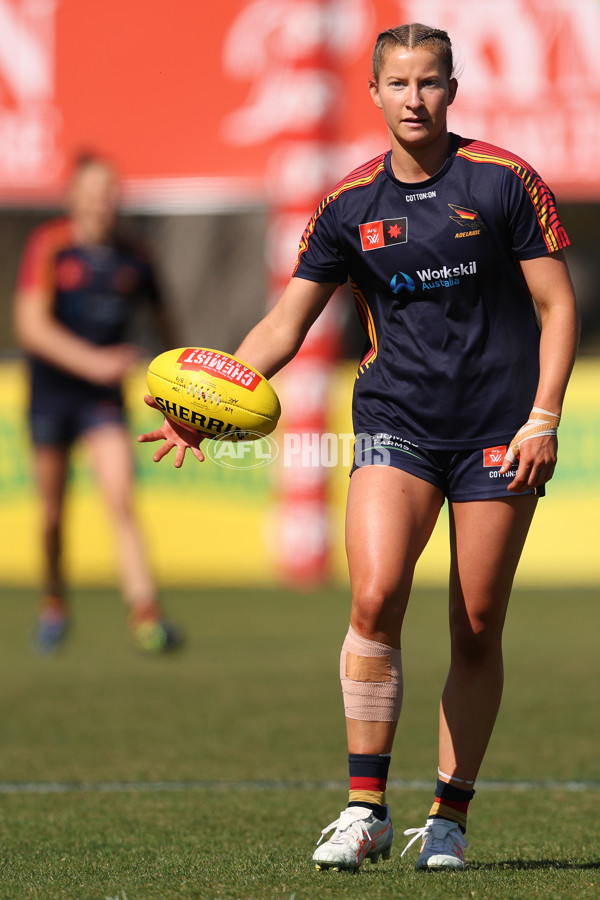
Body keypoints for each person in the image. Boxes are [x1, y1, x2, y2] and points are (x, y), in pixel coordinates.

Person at [138, 24, 579, 869]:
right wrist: (207, 402)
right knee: (374, 598)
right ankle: (365, 809)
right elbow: (286, 323)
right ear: (373, 93)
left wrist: (544, 416)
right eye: (399, 83)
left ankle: (449, 817)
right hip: (395, 420)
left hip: (499, 430)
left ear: (453, 90)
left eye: (430, 82)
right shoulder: (347, 205)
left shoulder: (504, 182)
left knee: (476, 624)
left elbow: (557, 307)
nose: (415, 99)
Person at [14, 153, 181, 654]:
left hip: (103, 399)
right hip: (51, 395)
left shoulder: (138, 257)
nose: (102, 202)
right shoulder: (50, 246)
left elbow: (168, 330)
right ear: (74, 198)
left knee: (121, 499)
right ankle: (53, 602)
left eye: (109, 192)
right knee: (51, 515)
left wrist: (182, 389)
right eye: (92, 192)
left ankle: (146, 614)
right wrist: (93, 362)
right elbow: (30, 327)